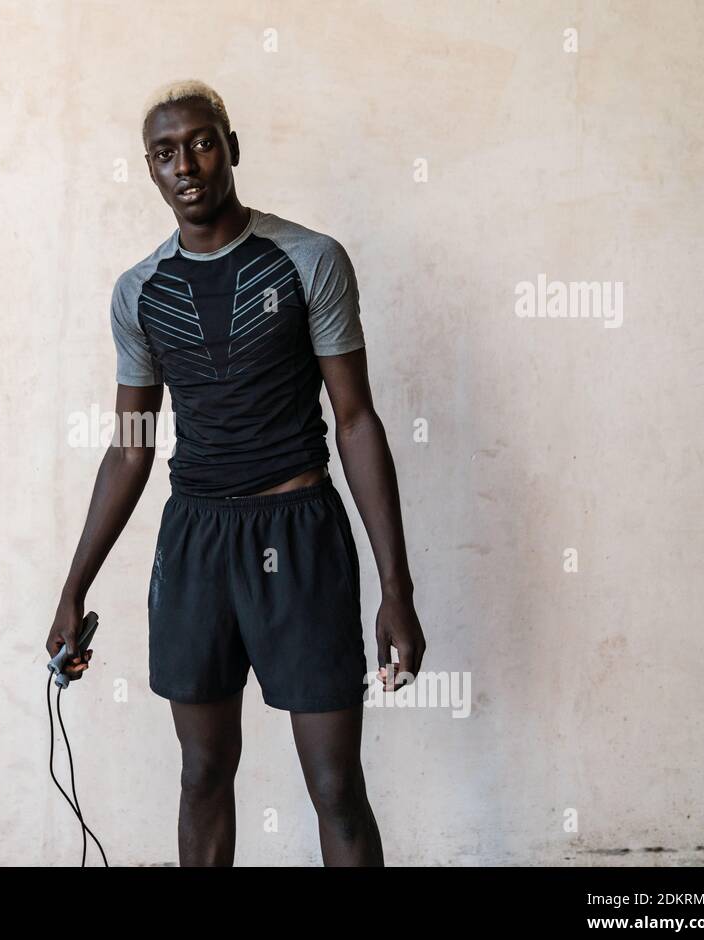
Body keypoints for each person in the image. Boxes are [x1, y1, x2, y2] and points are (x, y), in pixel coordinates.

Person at [46, 79, 426, 866]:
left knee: (335, 784)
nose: (185, 163)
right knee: (203, 774)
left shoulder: (309, 259)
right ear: (149, 170)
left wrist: (397, 587)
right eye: (164, 152)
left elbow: (355, 420)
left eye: (201, 141)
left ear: (232, 148)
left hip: (301, 534)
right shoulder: (139, 293)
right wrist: (72, 586)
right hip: (196, 545)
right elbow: (130, 446)